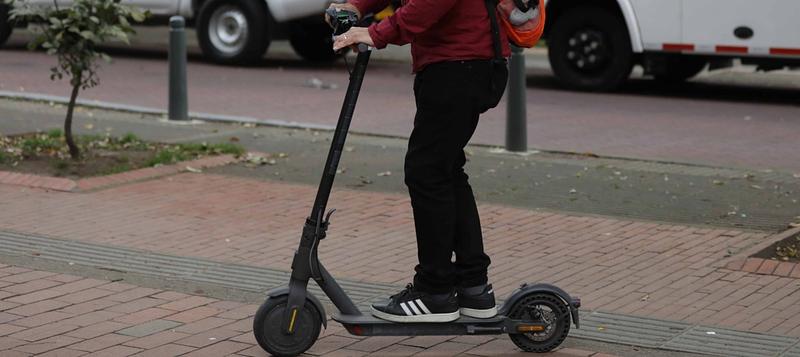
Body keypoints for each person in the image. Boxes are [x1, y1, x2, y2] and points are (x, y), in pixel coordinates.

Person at [328, 0, 510, 323]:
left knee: (426, 172)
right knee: (445, 171)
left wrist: (375, 33)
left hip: (460, 65)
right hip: (458, 64)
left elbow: (428, 5)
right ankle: (473, 287)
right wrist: (356, 6)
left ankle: (435, 292)